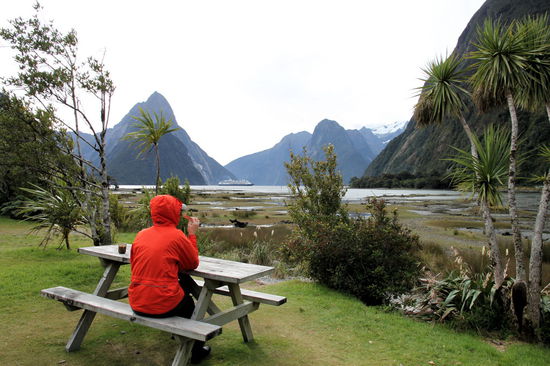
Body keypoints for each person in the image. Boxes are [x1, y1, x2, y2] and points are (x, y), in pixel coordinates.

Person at [128, 194, 211, 363]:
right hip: (161, 304)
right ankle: (195, 351)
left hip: (137, 300)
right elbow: (192, 263)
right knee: (189, 305)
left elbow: (136, 263)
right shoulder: (177, 235)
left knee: (182, 286)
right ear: (173, 212)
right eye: (178, 211)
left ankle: (180, 335)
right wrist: (192, 234)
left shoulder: (141, 234)